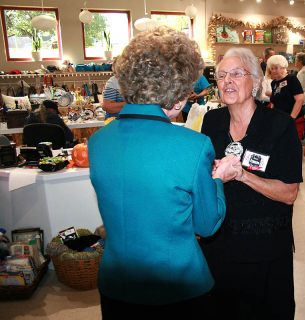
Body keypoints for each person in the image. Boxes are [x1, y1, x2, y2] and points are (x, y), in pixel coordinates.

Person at [88, 26, 239, 319]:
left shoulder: (97, 141)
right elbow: (206, 225)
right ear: (177, 95)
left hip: (117, 286)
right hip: (179, 288)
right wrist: (219, 179)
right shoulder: (193, 146)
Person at [200, 47, 303, 320]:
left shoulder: (279, 126)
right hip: (219, 244)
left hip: (265, 249)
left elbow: (289, 193)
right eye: (221, 75)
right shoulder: (212, 122)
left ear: (256, 81)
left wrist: (243, 175)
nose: (227, 81)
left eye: (236, 73)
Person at [268, 54, 305, 140]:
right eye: (272, 68)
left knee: (292, 146)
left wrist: (291, 119)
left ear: (283, 67)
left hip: (293, 120)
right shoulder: (274, 83)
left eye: (276, 68)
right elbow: (274, 101)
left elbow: (300, 99)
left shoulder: (291, 79)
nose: (274, 71)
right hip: (279, 121)